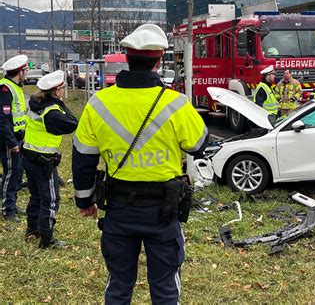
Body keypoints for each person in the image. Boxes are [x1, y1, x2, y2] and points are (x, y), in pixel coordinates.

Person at [72, 24, 208, 304]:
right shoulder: (177, 104)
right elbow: (199, 144)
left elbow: (83, 157)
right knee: (166, 289)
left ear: (126, 58)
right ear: (159, 62)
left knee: (119, 286)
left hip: (119, 209)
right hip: (163, 211)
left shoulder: (98, 103)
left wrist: (84, 200)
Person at [22, 70, 78, 248]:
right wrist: (61, 103)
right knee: (51, 200)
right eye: (62, 88)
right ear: (56, 91)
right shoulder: (52, 112)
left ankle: (32, 230)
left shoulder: (35, 102)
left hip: (28, 156)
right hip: (44, 161)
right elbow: (72, 123)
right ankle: (46, 239)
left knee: (36, 196)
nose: (63, 90)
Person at [0, 54, 28, 223]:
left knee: (17, 173)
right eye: (25, 70)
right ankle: (8, 210)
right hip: (9, 139)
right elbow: (3, 119)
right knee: (11, 173)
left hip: (18, 137)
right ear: (20, 72)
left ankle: (13, 205)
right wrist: (12, 142)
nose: (26, 73)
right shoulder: (5, 89)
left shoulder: (14, 87)